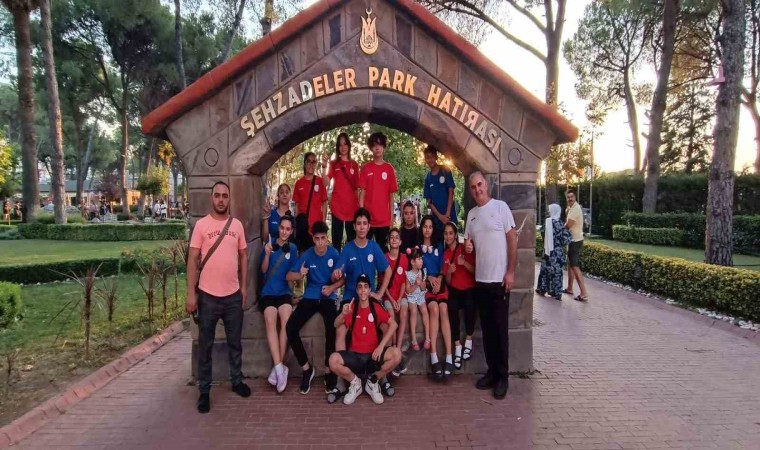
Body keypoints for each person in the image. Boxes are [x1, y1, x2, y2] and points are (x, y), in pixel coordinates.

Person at [186, 181, 250, 414]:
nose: (221, 200)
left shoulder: (237, 225)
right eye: (217, 196)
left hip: (233, 296)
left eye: (225, 196)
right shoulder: (201, 226)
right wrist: (190, 294)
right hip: (207, 297)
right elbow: (192, 260)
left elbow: (243, 256)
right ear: (211, 198)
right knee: (206, 346)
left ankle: (237, 380)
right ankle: (204, 391)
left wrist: (244, 287)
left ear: (229, 199)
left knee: (235, 343)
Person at [331, 207, 394, 397]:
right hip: (351, 299)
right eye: (358, 224)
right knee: (340, 330)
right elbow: (337, 274)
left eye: (364, 224)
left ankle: (382, 376)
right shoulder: (348, 248)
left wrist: (379, 293)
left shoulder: (374, 247)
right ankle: (343, 380)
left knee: (387, 328)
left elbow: (387, 270)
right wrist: (336, 274)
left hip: (370, 299)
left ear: (368, 226)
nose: (361, 227)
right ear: (354, 226)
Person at [464, 171, 516, 400]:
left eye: (479, 185)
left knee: (500, 330)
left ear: (486, 185)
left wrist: (511, 272)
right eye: (473, 187)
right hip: (481, 281)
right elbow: (468, 242)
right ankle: (491, 372)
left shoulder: (501, 208)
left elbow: (512, 239)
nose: (477, 190)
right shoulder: (472, 215)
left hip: (499, 281)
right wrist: (467, 246)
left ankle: (503, 376)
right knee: (486, 331)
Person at [285, 221, 344, 398]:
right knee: (290, 328)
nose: (320, 243)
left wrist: (332, 287)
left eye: (323, 238)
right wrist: (300, 274)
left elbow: (343, 279)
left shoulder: (334, 253)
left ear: (327, 239)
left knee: (332, 330)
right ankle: (306, 369)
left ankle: (328, 370)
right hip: (310, 297)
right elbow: (289, 275)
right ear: (313, 239)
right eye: (317, 239)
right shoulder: (307, 255)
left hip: (328, 297)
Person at [328, 275, 401, 405]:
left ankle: (373, 381)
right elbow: (335, 324)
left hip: (373, 356)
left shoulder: (375, 307)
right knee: (333, 360)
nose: (363, 290)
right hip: (355, 357)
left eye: (366, 287)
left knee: (397, 354)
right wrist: (343, 314)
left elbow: (394, 325)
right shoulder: (352, 308)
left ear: (370, 290)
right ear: (357, 290)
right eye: (360, 287)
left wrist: (381, 346)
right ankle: (355, 383)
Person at [259, 214, 299, 394]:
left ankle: (278, 367)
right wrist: (267, 255)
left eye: (287, 229)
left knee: (286, 320)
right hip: (268, 292)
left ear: (291, 231)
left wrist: (300, 275)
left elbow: (293, 275)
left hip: (284, 293)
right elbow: (263, 270)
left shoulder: (293, 248)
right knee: (270, 319)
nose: (284, 231)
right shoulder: (269, 245)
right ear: (279, 228)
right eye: (282, 228)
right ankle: (280, 368)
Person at [419, 215, 452, 380]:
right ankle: (433, 356)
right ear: (421, 228)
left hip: (440, 283)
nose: (427, 230)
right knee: (434, 309)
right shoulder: (418, 249)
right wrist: (429, 279)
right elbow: (418, 271)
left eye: (430, 227)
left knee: (443, 309)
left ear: (433, 229)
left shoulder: (439, 246)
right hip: (427, 286)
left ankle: (449, 356)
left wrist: (438, 279)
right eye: (425, 226)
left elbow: (443, 267)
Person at [442, 221, 476, 370]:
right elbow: (448, 281)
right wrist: (450, 272)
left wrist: (464, 263)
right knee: (451, 309)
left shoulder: (464, 248)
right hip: (455, 289)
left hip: (469, 288)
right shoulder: (445, 254)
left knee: (470, 305)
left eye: (451, 233)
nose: (448, 236)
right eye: (446, 233)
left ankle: (469, 339)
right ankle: (457, 345)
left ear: (456, 235)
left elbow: (475, 271)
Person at [358, 132, 398, 249]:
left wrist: (391, 220)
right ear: (371, 148)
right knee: (365, 250)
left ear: (384, 147)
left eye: (380, 145)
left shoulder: (389, 169)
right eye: (374, 145)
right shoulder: (366, 168)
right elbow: (362, 193)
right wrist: (362, 215)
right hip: (368, 220)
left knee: (382, 252)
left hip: (383, 221)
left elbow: (391, 197)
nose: (377, 148)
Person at [321, 133, 359, 252]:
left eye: (345, 144)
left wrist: (359, 208)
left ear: (349, 146)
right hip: (337, 208)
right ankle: (336, 263)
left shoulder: (354, 165)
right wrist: (324, 167)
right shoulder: (334, 163)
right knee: (336, 241)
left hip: (352, 209)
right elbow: (325, 182)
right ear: (338, 147)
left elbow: (357, 188)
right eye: (340, 145)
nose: (343, 147)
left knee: (352, 242)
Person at [380, 228, 410, 375]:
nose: (394, 239)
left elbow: (404, 281)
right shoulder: (384, 258)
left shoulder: (404, 258)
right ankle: (392, 349)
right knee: (391, 317)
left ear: (400, 241)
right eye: (391, 237)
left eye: (396, 237)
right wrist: (392, 300)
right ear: (388, 241)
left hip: (400, 295)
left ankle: (397, 347)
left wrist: (399, 299)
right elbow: (383, 284)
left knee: (403, 313)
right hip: (388, 296)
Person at [537, 204, 573, 301]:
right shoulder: (560, 224)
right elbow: (566, 239)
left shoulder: (547, 222)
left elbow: (542, 233)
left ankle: (542, 288)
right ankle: (556, 292)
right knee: (557, 272)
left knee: (545, 270)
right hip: (557, 252)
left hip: (547, 250)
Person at [293, 152, 328, 251]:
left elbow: (325, 203)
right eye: (309, 161)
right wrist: (296, 226)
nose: (311, 164)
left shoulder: (320, 181)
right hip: (303, 227)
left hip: (316, 227)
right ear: (304, 164)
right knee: (302, 253)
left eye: (314, 162)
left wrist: (323, 223)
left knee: (317, 253)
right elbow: (296, 206)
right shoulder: (299, 183)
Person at [423, 146, 457, 241]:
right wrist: (440, 217)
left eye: (432, 156)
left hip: (450, 216)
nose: (430, 159)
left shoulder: (445, 170)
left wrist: (447, 215)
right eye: (427, 157)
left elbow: (451, 192)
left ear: (436, 157)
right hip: (437, 220)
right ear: (425, 159)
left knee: (452, 243)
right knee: (439, 245)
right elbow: (429, 202)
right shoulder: (428, 178)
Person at [564, 190, 589, 302]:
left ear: (575, 197)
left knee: (574, 265)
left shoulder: (575, 209)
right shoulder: (571, 208)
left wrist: (559, 229)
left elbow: (568, 225)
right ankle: (570, 288)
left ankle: (583, 293)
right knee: (570, 264)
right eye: (568, 197)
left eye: (572, 197)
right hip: (573, 240)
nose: (570, 198)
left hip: (575, 241)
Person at [404, 247, 430, 353]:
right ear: (412, 262)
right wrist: (415, 284)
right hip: (412, 296)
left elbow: (423, 288)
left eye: (421, 259)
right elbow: (408, 290)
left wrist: (421, 281)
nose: (421, 261)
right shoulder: (408, 274)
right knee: (413, 311)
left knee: (424, 310)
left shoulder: (423, 272)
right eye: (419, 259)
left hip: (420, 295)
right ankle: (414, 339)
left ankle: (427, 337)